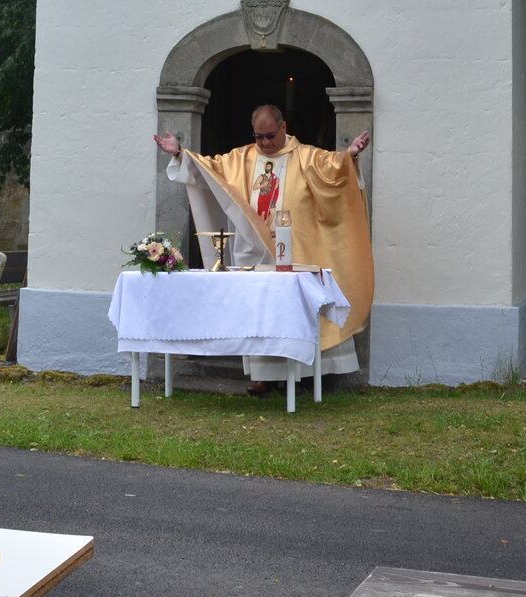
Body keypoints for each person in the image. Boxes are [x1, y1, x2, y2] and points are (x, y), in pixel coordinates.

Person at [152, 105, 372, 393]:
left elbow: (333, 168)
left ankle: (301, 375)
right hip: (254, 248)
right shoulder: (241, 159)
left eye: (270, 136)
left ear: (283, 127)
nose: (265, 143)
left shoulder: (307, 157)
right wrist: (180, 153)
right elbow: (209, 169)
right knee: (258, 312)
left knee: (294, 310)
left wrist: (349, 155)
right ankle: (263, 374)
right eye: (259, 137)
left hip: (296, 248)